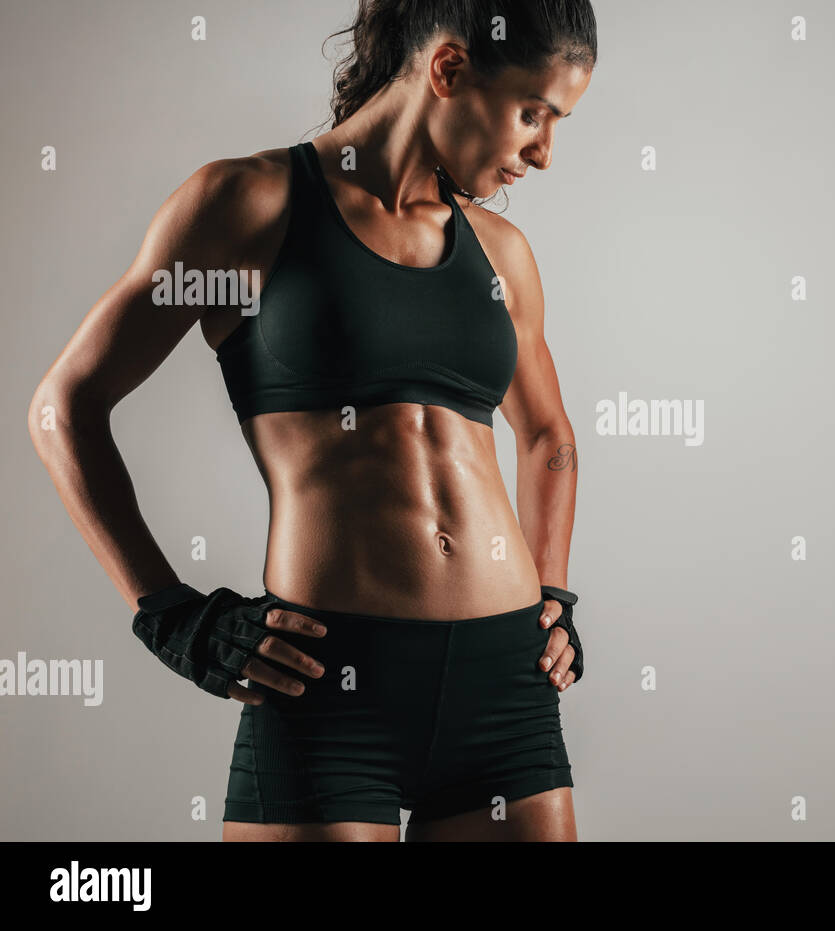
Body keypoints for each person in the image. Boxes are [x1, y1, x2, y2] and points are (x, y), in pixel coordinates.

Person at [26, 0, 597, 842]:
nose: (545, 153)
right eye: (533, 113)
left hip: (503, 693)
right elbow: (63, 407)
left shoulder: (500, 255)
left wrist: (551, 593)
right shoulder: (247, 207)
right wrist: (172, 615)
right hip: (324, 690)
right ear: (447, 70)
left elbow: (549, 438)